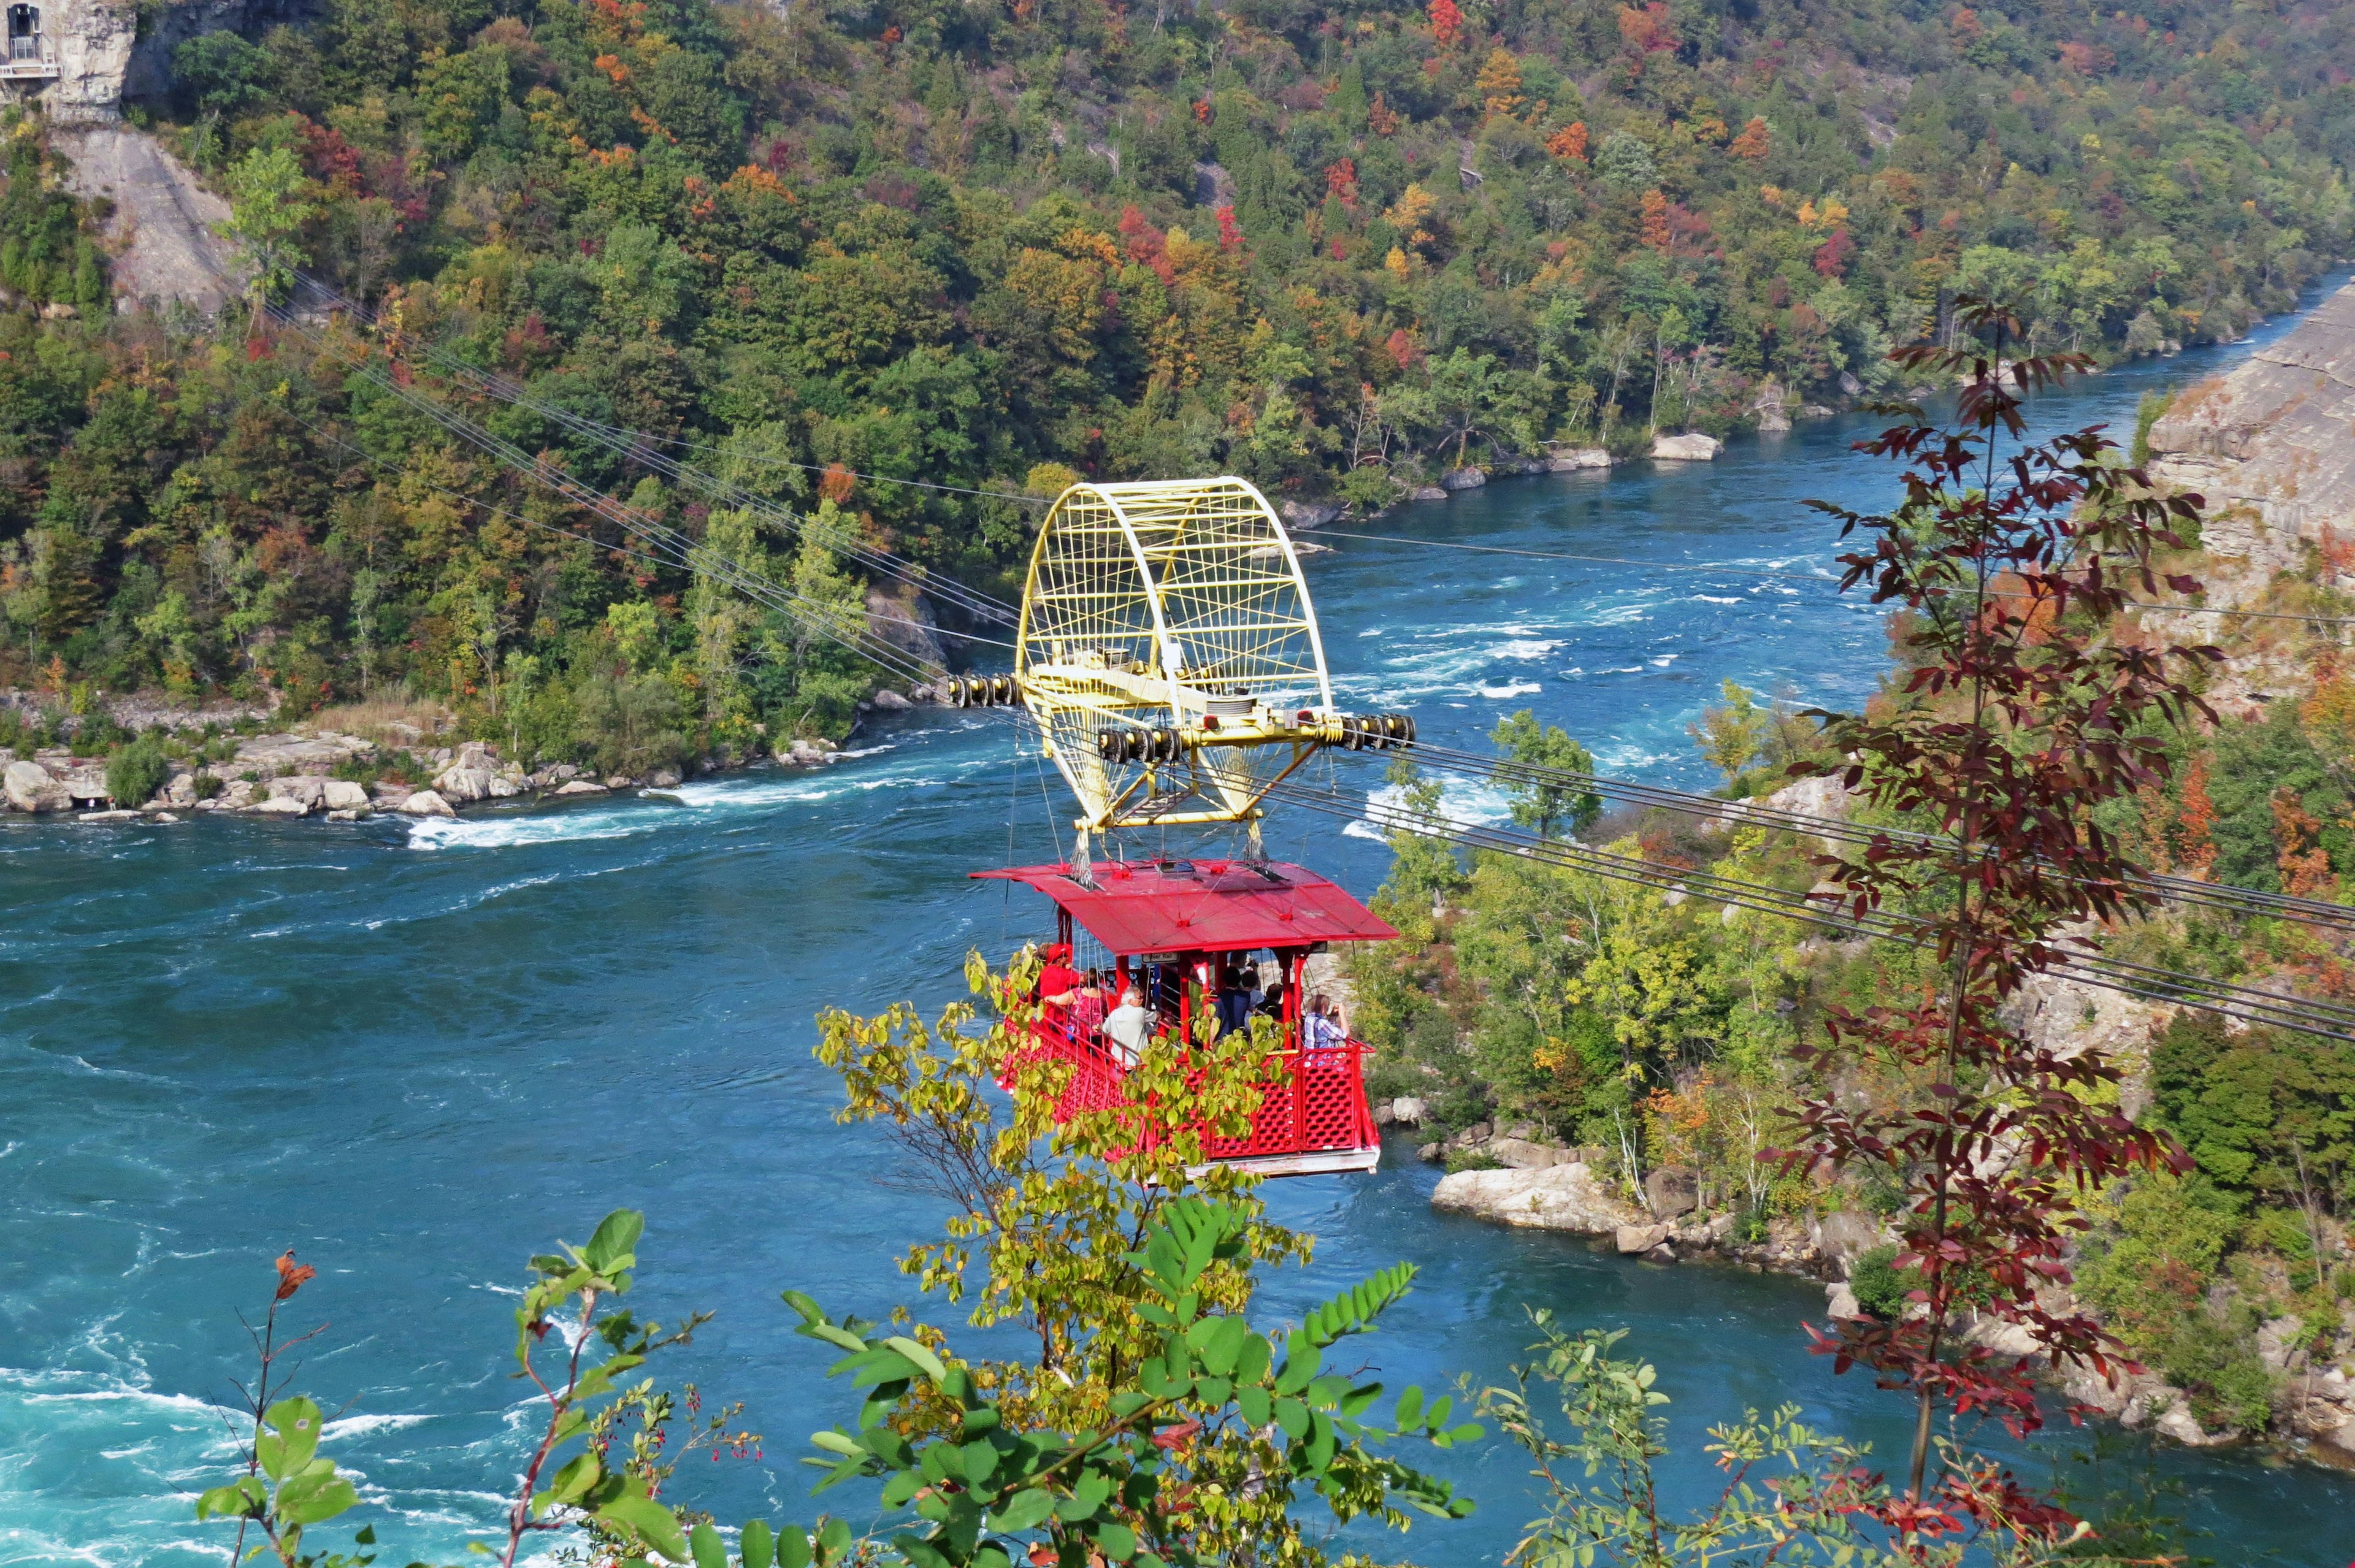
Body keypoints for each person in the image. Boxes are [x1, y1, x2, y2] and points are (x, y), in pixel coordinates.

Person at [1102, 986, 1154, 1068]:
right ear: (1130, 1001)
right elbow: (1156, 1017)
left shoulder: (1115, 1013)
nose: (1142, 1000)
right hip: (1138, 1061)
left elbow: (1104, 1030)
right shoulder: (1140, 1012)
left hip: (1119, 1061)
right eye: (1139, 998)